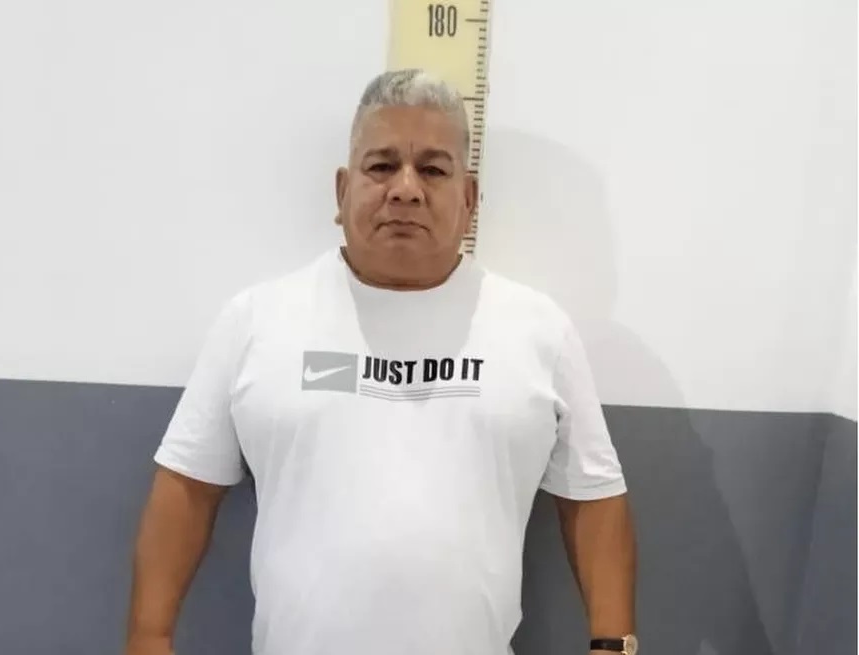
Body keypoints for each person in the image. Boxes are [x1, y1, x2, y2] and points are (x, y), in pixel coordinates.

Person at [125, 68, 638, 655]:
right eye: (381, 166)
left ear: (469, 199)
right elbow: (187, 486)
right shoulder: (256, 321)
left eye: (434, 169)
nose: (406, 189)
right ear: (342, 192)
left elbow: (593, 495)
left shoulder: (538, 330)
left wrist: (613, 646)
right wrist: (147, 637)